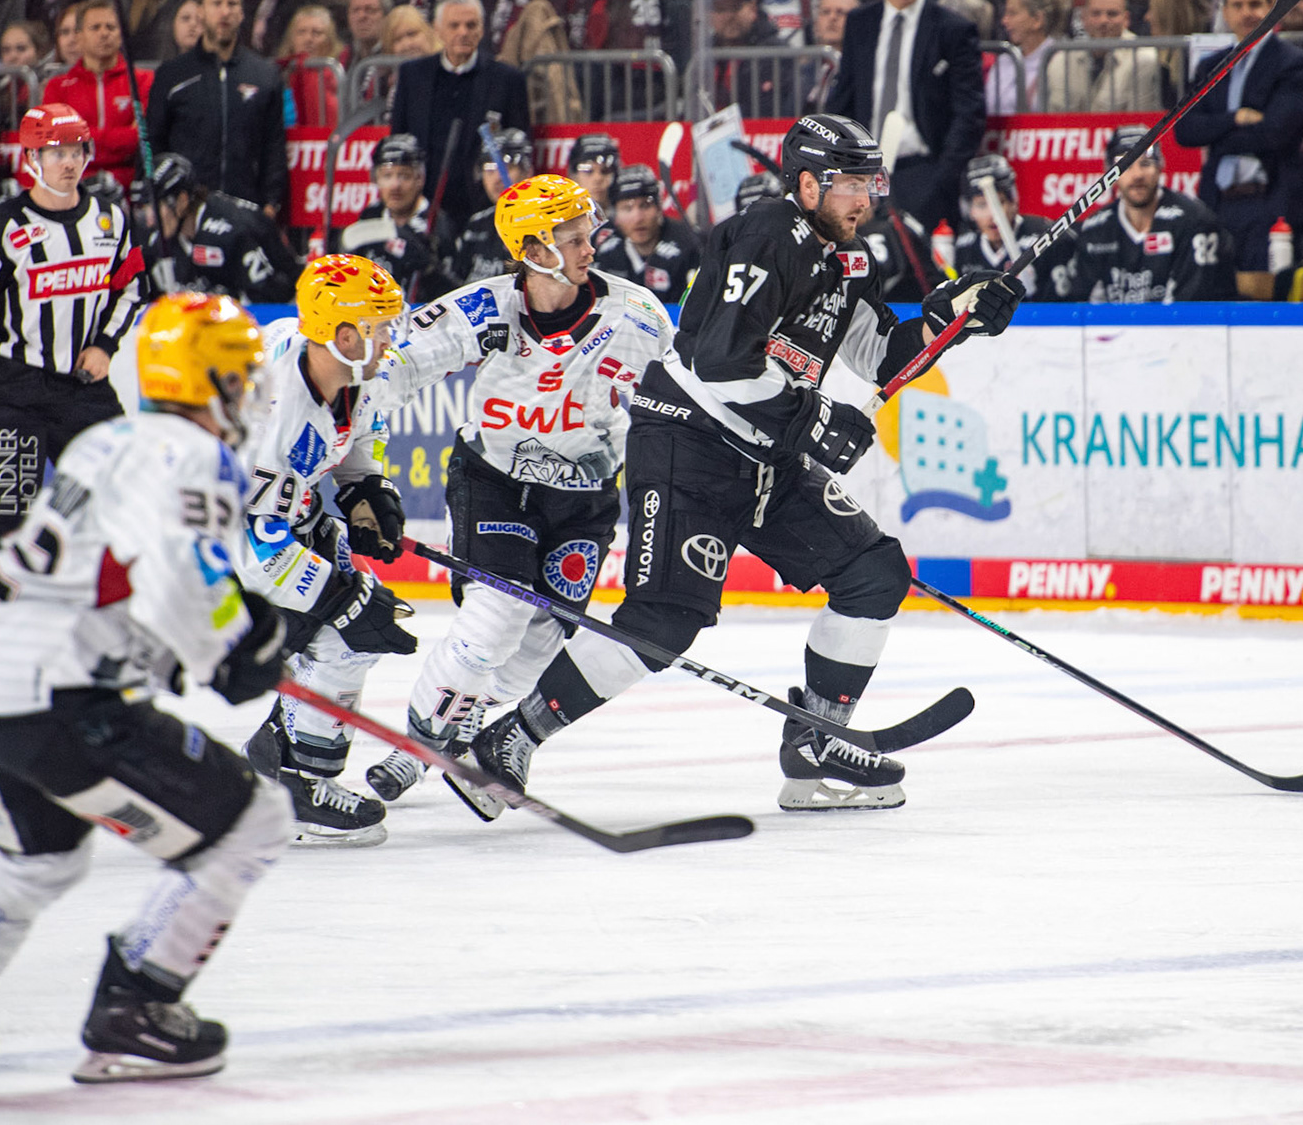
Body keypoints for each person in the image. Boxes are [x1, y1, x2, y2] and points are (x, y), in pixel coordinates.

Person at [455, 116, 1021, 816]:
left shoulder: (850, 259)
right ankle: (510, 737)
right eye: (848, 184)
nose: (864, 199)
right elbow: (719, 362)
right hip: (687, 443)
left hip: (767, 452)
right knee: (663, 622)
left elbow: (881, 357)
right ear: (808, 183)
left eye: (869, 182)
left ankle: (817, 742)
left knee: (872, 572)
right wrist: (816, 419)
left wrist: (953, 318)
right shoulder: (767, 235)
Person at [0, 292, 293, 1086]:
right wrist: (237, 649)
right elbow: (184, 584)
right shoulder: (196, 457)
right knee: (252, 822)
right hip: (61, 703)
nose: (252, 391)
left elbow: (124, 572)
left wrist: (222, 635)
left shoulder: (109, 438)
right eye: (242, 373)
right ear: (212, 380)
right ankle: (137, 1005)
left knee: (38, 860)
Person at [358, 175, 679, 804]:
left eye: (589, 233)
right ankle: (420, 745)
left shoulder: (637, 316)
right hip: (495, 484)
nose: (592, 246)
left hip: (583, 502)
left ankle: (461, 721)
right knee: (494, 618)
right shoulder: (488, 308)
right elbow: (392, 366)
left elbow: (678, 408)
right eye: (574, 237)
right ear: (533, 250)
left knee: (531, 656)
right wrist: (356, 465)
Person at [228, 255, 414, 848]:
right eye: (381, 328)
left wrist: (364, 492)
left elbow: (353, 444)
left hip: (284, 517)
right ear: (344, 334)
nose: (391, 340)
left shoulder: (348, 369)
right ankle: (301, 787)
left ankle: (275, 752)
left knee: (351, 622)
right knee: (348, 632)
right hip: (217, 550)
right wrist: (343, 594)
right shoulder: (271, 411)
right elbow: (254, 549)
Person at [0, 102, 143, 572]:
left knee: (125, 497)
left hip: (83, 389)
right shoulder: (4, 228)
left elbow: (133, 286)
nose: (68, 162)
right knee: (7, 521)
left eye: (76, 150)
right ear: (31, 160)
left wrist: (106, 345)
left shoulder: (110, 220)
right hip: (11, 391)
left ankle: (113, 622)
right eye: (55, 153)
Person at [827, 0, 985, 232]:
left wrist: (943, 177)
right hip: (865, 173)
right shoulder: (860, 23)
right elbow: (843, 99)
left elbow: (970, 112)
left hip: (923, 171)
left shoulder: (953, 30)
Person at [1174, 0, 1303, 272]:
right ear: (1225, 12)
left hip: (1271, 202)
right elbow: (1185, 129)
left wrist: (1215, 132)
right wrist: (1235, 118)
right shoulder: (1210, 67)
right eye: (1237, 6)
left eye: (1254, 4)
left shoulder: (1294, 63)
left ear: (1271, 7)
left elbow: (1276, 133)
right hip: (1218, 204)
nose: (1246, 14)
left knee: (1265, 303)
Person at [388, 0, 533, 232]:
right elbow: (398, 138)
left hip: (483, 205)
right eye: (454, 25)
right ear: (437, 29)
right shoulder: (412, 75)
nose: (463, 32)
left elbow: (520, 146)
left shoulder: (507, 80)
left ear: (482, 29)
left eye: (471, 25)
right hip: (425, 203)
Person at [147, 0, 291, 216]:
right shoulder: (172, 75)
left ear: (242, 13)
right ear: (201, 12)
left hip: (246, 207)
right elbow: (152, 140)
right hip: (187, 210)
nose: (225, 11)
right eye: (216, 3)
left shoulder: (264, 75)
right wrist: (155, 196)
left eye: (232, 4)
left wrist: (271, 202)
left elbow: (274, 146)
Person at [1062, 126, 1231, 302]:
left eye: (1146, 163)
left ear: (1160, 165)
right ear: (1109, 173)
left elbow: (1191, 308)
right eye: (1125, 165)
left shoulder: (1193, 220)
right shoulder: (1095, 229)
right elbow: (1082, 310)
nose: (1137, 175)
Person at [140, 152, 300, 301]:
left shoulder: (231, 234)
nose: (150, 221)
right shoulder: (163, 239)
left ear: (182, 200)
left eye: (156, 208)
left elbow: (272, 299)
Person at [43, 0, 157, 192]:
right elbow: (60, 144)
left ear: (120, 35)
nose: (104, 33)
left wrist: (86, 138)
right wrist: (121, 138)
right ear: (79, 37)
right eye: (95, 27)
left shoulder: (143, 81)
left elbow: (140, 140)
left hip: (131, 188)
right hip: (76, 188)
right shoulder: (57, 88)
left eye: (110, 27)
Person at [336, 133, 453, 299]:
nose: (395, 185)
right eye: (387, 175)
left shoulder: (438, 224)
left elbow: (454, 290)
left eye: (404, 176)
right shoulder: (370, 217)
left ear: (419, 179)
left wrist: (430, 270)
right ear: (376, 179)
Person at [951, 152, 1074, 301]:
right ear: (970, 211)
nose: (992, 215)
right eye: (981, 205)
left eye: (999, 202)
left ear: (1013, 202)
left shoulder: (1049, 239)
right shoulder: (965, 248)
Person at [597, 164, 701, 302]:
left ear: (659, 207)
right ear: (614, 215)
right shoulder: (602, 247)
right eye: (627, 208)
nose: (638, 218)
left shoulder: (688, 246)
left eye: (645, 205)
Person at [449, 127, 537, 285]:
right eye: (489, 169)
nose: (497, 178)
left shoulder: (542, 224)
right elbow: (455, 282)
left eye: (507, 167)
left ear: (528, 170)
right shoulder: (477, 224)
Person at [1047, 0, 1152, 112]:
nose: (1103, 21)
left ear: (1126, 19)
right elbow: (1054, 120)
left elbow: (1141, 124)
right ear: (1083, 19)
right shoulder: (1061, 61)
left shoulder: (1143, 59)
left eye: (1112, 14)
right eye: (1096, 14)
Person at [983, 0, 1060, 113]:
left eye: (1012, 13)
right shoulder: (1003, 61)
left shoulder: (1060, 61)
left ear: (1037, 20)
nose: (1004, 21)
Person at [568, 131, 622, 219]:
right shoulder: (562, 222)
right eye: (588, 171)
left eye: (605, 171)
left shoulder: (625, 223)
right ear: (573, 176)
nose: (598, 178)